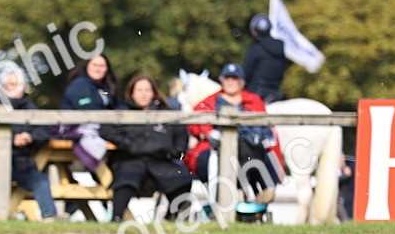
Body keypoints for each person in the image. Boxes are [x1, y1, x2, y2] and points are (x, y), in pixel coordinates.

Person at [186, 63, 283, 208]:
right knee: (206, 160)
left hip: (250, 148)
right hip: (218, 148)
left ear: (241, 81)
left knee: (266, 158)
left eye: (235, 78)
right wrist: (208, 133)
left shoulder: (254, 101)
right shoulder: (210, 101)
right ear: (221, 80)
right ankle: (226, 197)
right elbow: (195, 121)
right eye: (227, 78)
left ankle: (262, 194)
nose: (231, 81)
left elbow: (266, 128)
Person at [98, 74, 192, 222]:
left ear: (153, 92)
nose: (143, 94)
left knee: (182, 176)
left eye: (147, 90)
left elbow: (181, 134)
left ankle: (173, 217)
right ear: (132, 93)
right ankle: (116, 219)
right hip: (130, 160)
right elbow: (105, 129)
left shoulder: (166, 112)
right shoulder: (121, 112)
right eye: (139, 90)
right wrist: (127, 143)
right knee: (125, 180)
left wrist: (176, 152)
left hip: (160, 161)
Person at [0, 70, 60, 221]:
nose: (15, 88)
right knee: (1, 165)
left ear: (25, 88)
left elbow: (45, 131)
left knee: (41, 181)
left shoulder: (30, 108)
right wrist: (11, 140)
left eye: (18, 85)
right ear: (5, 86)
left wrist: (29, 137)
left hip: (20, 163)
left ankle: (50, 220)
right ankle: (0, 218)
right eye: (11, 84)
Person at [59, 53, 121, 178]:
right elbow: (86, 108)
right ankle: (107, 179)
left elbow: (114, 107)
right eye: (95, 65)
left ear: (107, 68)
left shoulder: (104, 89)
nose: (98, 68)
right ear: (87, 66)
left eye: (102, 65)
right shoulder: (79, 84)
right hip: (77, 130)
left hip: (103, 129)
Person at [243, 14, 287, 103]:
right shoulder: (280, 48)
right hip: (276, 93)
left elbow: (245, 74)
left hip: (256, 93)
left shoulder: (256, 48)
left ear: (254, 30)